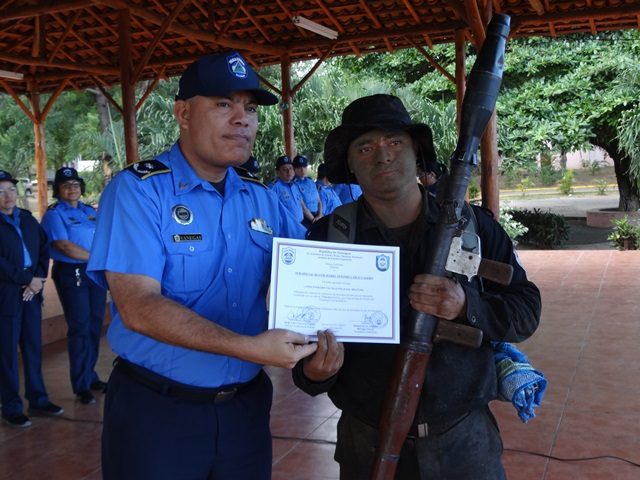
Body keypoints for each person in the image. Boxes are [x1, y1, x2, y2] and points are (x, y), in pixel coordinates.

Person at [86, 51, 317, 480]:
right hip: (158, 413)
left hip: (246, 411)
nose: (242, 119)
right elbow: (138, 305)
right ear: (183, 114)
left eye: (250, 108)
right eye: (223, 104)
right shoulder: (140, 191)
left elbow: (309, 272)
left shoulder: (261, 197)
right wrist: (249, 348)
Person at [292, 94, 542, 479]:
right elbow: (300, 349)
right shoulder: (328, 238)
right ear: (350, 163)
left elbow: (526, 311)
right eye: (365, 147)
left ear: (416, 152)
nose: (382, 155)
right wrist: (316, 371)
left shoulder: (473, 227)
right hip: (366, 444)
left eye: (395, 142)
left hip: (465, 444)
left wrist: (466, 306)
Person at [0, 170, 64, 428]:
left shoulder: (26, 219)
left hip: (32, 293)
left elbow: (43, 248)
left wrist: (38, 278)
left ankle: (38, 399)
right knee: (7, 353)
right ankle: (11, 407)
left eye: (10, 190)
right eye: (1, 192)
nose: (7, 196)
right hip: (7, 295)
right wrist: (27, 279)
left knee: (33, 347)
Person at [40, 167, 108, 406]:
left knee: (95, 324)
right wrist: (98, 258)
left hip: (94, 272)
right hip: (72, 272)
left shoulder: (89, 211)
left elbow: (103, 236)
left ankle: (90, 375)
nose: (72, 189)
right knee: (80, 327)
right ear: (58, 190)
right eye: (66, 185)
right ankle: (81, 385)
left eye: (76, 184)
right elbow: (64, 246)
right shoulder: (54, 214)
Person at [269, 154, 309, 225]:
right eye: (285, 169)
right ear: (277, 172)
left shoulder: (294, 186)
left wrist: (313, 220)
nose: (289, 172)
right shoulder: (273, 187)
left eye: (290, 168)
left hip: (301, 224)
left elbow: (303, 206)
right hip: (287, 227)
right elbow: (271, 211)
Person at [293, 154, 323, 225]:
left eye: (304, 167)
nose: (302, 170)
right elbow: (302, 207)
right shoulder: (294, 185)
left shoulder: (311, 182)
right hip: (306, 219)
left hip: (318, 216)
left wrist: (320, 215)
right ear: (294, 169)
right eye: (299, 167)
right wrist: (314, 220)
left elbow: (319, 201)